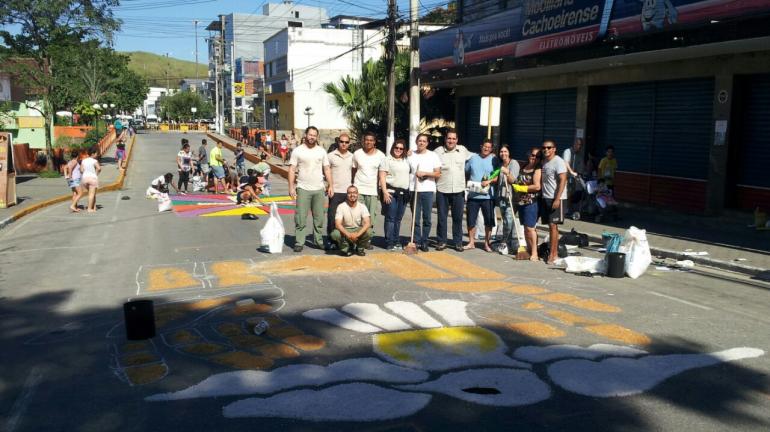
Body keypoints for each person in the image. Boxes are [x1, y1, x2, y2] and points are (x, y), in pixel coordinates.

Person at [288, 126, 334, 252]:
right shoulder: (297, 151)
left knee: (319, 218)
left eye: (314, 135)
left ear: (317, 137)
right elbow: (292, 169)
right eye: (310, 135)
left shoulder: (321, 151)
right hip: (303, 188)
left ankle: (319, 241)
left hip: (319, 189)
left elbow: (327, 169)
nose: (312, 137)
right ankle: (299, 242)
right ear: (305, 135)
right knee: (300, 217)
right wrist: (291, 187)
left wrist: (330, 185)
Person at [434, 128, 471, 252]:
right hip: (442, 189)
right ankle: (441, 241)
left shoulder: (463, 150)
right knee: (442, 217)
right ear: (445, 139)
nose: (451, 141)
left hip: (458, 190)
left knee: (458, 218)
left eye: (454, 138)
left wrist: (490, 155)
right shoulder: (437, 152)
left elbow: (475, 157)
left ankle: (458, 242)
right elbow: (426, 158)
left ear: (457, 140)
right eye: (449, 138)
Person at [407, 133, 442, 252]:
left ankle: (425, 241)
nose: (421, 143)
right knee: (415, 218)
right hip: (414, 189)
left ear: (427, 143)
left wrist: (425, 173)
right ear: (416, 142)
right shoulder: (411, 155)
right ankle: (416, 241)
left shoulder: (433, 156)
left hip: (427, 190)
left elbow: (438, 173)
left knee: (427, 218)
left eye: (424, 141)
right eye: (419, 141)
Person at [465, 139, 499, 252]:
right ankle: (471, 242)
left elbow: (497, 176)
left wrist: (489, 181)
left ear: (491, 149)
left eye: (489, 147)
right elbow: (466, 171)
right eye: (485, 146)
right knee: (471, 219)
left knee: (488, 221)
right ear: (481, 146)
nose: (486, 149)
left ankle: (487, 244)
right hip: (473, 195)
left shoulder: (494, 160)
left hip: (488, 196)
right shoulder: (473, 158)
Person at [352, 131, 386, 244]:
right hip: (359, 189)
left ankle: (367, 239)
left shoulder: (381, 156)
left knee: (371, 217)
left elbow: (382, 174)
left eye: (371, 140)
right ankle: (357, 238)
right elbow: (353, 170)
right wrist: (353, 186)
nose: (369, 142)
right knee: (358, 215)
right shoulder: (357, 153)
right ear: (363, 141)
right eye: (367, 140)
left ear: (374, 142)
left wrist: (383, 190)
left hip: (372, 191)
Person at [379, 138, 411, 250]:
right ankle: (389, 241)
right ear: (393, 147)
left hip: (403, 194)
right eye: (396, 147)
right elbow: (382, 177)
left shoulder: (405, 160)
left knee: (398, 219)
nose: (398, 150)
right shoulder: (386, 160)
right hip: (391, 192)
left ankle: (396, 240)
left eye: (401, 148)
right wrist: (384, 192)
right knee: (390, 218)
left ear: (404, 150)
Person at [539, 139, 568, 264]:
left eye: (549, 147)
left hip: (556, 198)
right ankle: (552, 251)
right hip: (546, 197)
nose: (546, 149)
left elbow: (563, 180)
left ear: (554, 149)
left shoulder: (558, 162)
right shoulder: (544, 162)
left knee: (553, 226)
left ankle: (553, 254)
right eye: (544, 147)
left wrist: (557, 199)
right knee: (550, 227)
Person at [326, 133, 354, 250]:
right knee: (332, 217)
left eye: (346, 142)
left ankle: (344, 240)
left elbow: (355, 171)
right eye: (342, 141)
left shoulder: (352, 156)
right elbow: (326, 171)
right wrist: (329, 186)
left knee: (346, 218)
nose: (344, 144)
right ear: (338, 142)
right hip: (335, 191)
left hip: (348, 192)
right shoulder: (330, 156)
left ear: (349, 143)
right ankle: (331, 240)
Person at [515, 147, 543, 261]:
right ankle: (529, 250)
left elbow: (537, 186)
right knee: (525, 228)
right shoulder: (524, 166)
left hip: (531, 202)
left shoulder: (537, 169)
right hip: (521, 202)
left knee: (531, 228)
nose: (534, 158)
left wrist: (522, 188)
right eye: (532, 155)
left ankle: (535, 253)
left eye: (537, 156)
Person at [331, 185, 372, 257]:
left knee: (369, 232)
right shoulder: (341, 206)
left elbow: (367, 223)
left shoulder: (362, 206)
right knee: (335, 234)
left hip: (357, 229)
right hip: (346, 229)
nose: (352, 195)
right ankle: (346, 248)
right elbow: (338, 224)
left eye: (354, 192)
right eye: (349, 193)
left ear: (357, 194)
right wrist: (349, 235)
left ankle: (360, 248)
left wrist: (357, 234)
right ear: (347, 195)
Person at [496, 145, 521, 254]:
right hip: (502, 197)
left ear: (509, 152)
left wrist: (507, 172)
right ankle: (508, 243)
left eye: (505, 151)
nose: (503, 153)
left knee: (509, 221)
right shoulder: (500, 164)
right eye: (501, 152)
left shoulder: (514, 163)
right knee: (505, 221)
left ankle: (506, 241)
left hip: (511, 197)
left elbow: (513, 180)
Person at [79, 147, 101, 213]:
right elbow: (99, 168)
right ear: (93, 154)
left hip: (84, 179)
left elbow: (81, 170)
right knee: (91, 194)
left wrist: (85, 173)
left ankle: (93, 207)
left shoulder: (84, 160)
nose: (97, 155)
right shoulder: (94, 161)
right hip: (92, 178)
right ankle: (89, 208)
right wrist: (96, 174)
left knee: (92, 193)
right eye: (96, 153)